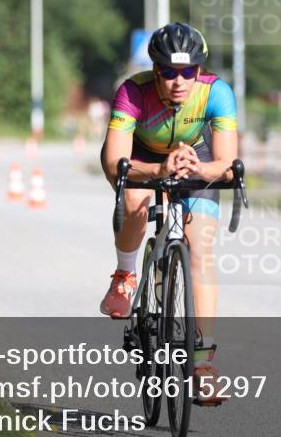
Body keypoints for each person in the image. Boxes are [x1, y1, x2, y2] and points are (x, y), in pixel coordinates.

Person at [100, 22, 237, 403]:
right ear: (155, 70)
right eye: (169, 72)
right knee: (135, 203)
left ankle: (203, 362)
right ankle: (126, 274)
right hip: (141, 157)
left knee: (201, 248)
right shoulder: (132, 91)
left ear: (199, 70)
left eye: (188, 72)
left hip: (197, 158)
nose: (179, 81)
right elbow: (115, 161)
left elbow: (226, 162)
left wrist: (197, 170)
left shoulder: (217, 92)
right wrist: (160, 170)